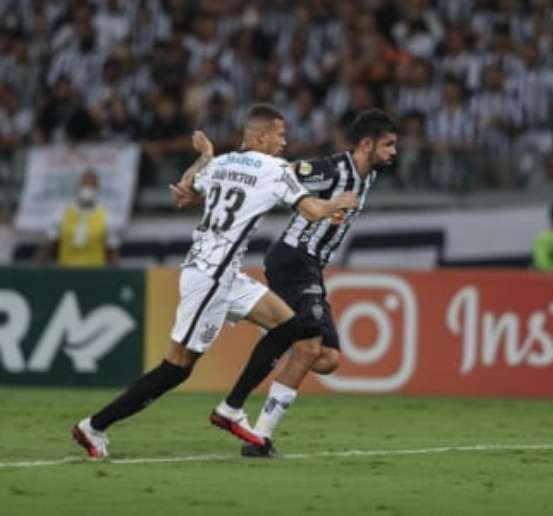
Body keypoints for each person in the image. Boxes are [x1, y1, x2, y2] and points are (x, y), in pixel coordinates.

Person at [70, 104, 359, 458]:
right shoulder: (276, 170)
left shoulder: (221, 163)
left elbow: (185, 188)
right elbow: (313, 211)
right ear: (260, 136)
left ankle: (231, 408)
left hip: (221, 272)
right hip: (211, 276)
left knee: (290, 326)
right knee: (175, 369)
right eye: (280, 136)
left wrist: (204, 156)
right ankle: (94, 427)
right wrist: (339, 202)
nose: (284, 143)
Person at [182, 108, 398, 458]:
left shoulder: (367, 177)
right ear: (366, 144)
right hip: (293, 259)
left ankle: (276, 330)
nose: (394, 152)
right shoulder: (330, 170)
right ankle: (257, 433)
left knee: (327, 358)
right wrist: (202, 191)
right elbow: (268, 178)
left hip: (311, 267)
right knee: (310, 347)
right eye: (388, 145)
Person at [35, 169, 120, 267]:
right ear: (78, 187)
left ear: (97, 189)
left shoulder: (107, 218)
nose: (87, 189)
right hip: (67, 271)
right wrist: (39, 262)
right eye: (84, 185)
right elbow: (49, 245)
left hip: (95, 273)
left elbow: (112, 252)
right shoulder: (61, 214)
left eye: (91, 186)